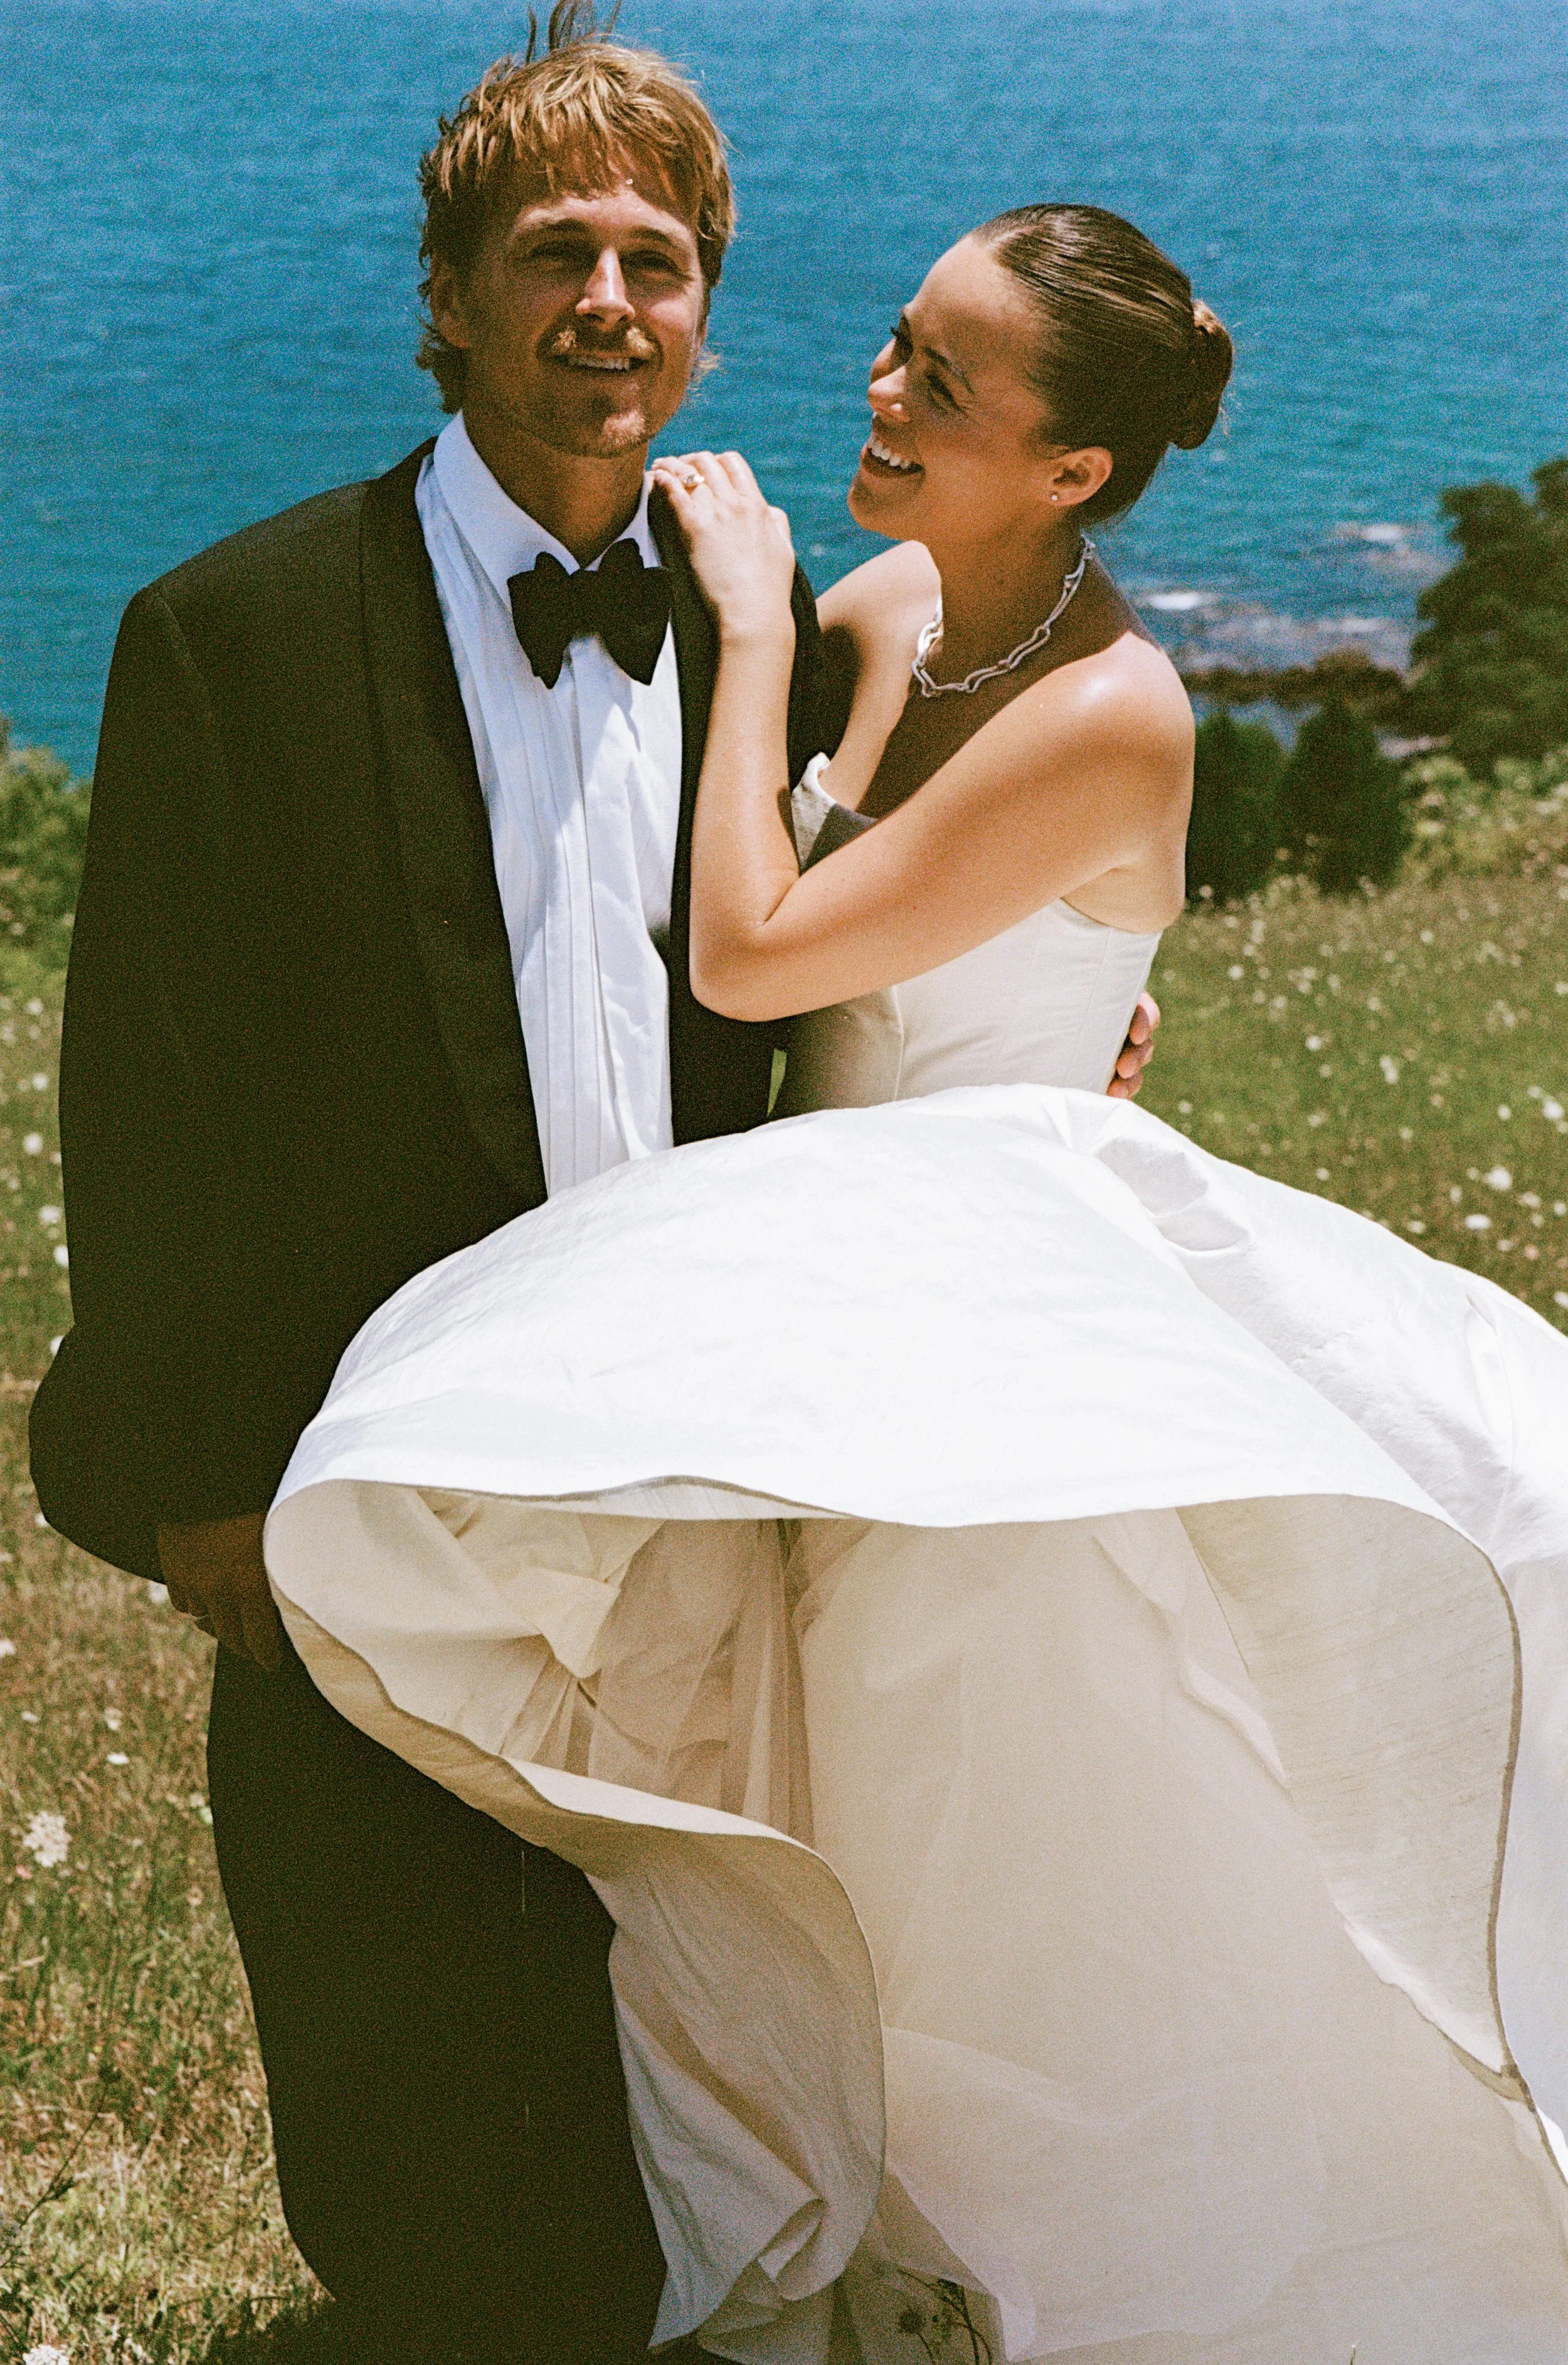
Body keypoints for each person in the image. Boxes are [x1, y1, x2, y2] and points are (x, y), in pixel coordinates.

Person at [265, 199, 1568, 2363]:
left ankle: (1097, 2277)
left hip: (991, 1331)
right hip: (837, 1294)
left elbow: (764, 949)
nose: (878, 394)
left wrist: (756, 634)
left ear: (1070, 468)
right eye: (893, 345)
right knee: (833, 1818)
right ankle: (876, 2244)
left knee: (1000, 1818)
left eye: (940, 386)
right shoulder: (902, 604)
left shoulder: (1111, 706)